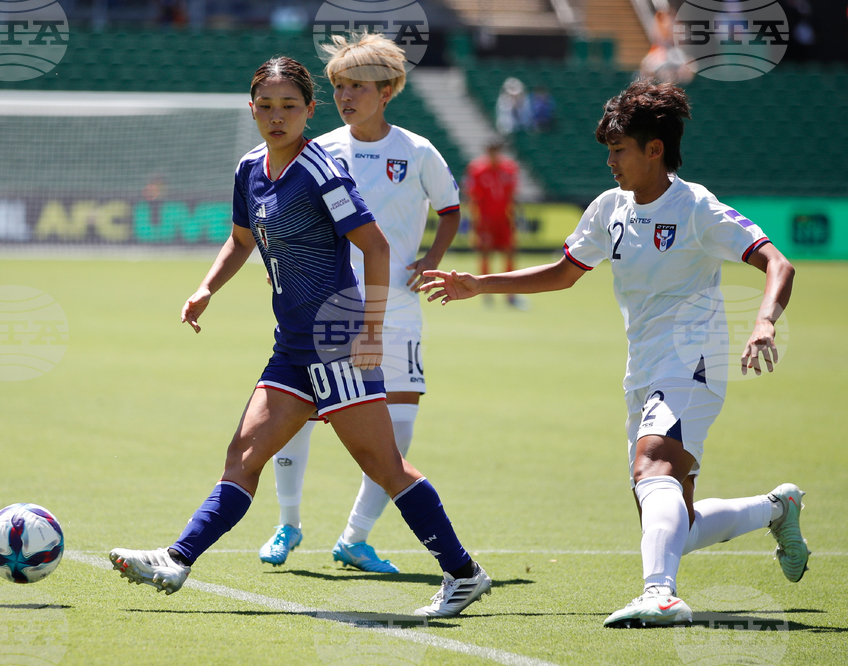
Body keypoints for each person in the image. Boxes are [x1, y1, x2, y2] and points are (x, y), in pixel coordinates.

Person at [109, 56, 491, 618]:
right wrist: (206, 288)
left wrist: (371, 330)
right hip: (291, 344)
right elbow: (241, 240)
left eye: (289, 106)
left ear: (310, 111)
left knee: (386, 468)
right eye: (266, 105)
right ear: (252, 109)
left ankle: (463, 574)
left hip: (337, 340)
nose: (276, 116)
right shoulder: (249, 169)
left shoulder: (323, 171)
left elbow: (377, 248)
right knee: (243, 457)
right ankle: (177, 558)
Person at [420, 81, 808, 628]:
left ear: (655, 150)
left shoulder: (697, 207)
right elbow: (563, 273)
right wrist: (479, 284)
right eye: (608, 149)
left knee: (653, 467)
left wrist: (764, 320)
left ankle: (661, 595)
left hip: (692, 360)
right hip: (644, 368)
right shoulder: (610, 208)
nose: (610, 161)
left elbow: (778, 264)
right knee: (673, 515)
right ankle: (777, 509)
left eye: (619, 149)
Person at [256, 32, 462, 574]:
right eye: (341, 87)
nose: (348, 96)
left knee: (396, 430)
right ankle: (289, 522)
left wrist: (433, 258)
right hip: (330, 310)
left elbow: (451, 208)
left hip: (397, 310)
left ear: (389, 89)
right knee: (296, 416)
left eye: (360, 87)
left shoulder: (418, 152)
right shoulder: (319, 151)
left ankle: (355, 537)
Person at [464, 139, 523, 308]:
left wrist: (514, 218)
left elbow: (512, 196)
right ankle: (485, 292)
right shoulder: (477, 170)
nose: (494, 154)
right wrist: (474, 222)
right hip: (485, 220)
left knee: (510, 253)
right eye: (491, 151)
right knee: (485, 253)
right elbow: (472, 197)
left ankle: (510, 294)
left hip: (504, 220)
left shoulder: (509, 169)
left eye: (496, 150)